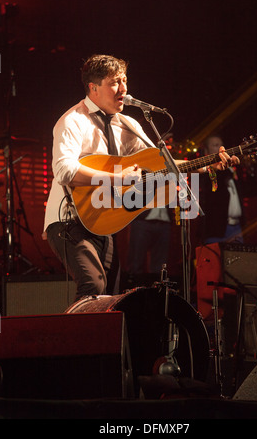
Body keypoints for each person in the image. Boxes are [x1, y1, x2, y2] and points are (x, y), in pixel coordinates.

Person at [43, 54, 239, 302]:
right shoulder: (72, 121)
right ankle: (74, 340)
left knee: (110, 296)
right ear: (93, 88)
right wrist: (116, 177)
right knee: (93, 286)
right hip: (68, 221)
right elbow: (64, 171)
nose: (123, 89)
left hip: (105, 221)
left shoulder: (129, 125)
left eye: (125, 81)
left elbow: (162, 165)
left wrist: (207, 164)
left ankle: (103, 341)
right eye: (115, 82)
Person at [198, 134, 244, 244]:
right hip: (216, 229)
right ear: (206, 150)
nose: (220, 148)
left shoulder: (231, 170)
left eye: (221, 145)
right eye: (215, 145)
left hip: (236, 226)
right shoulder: (203, 172)